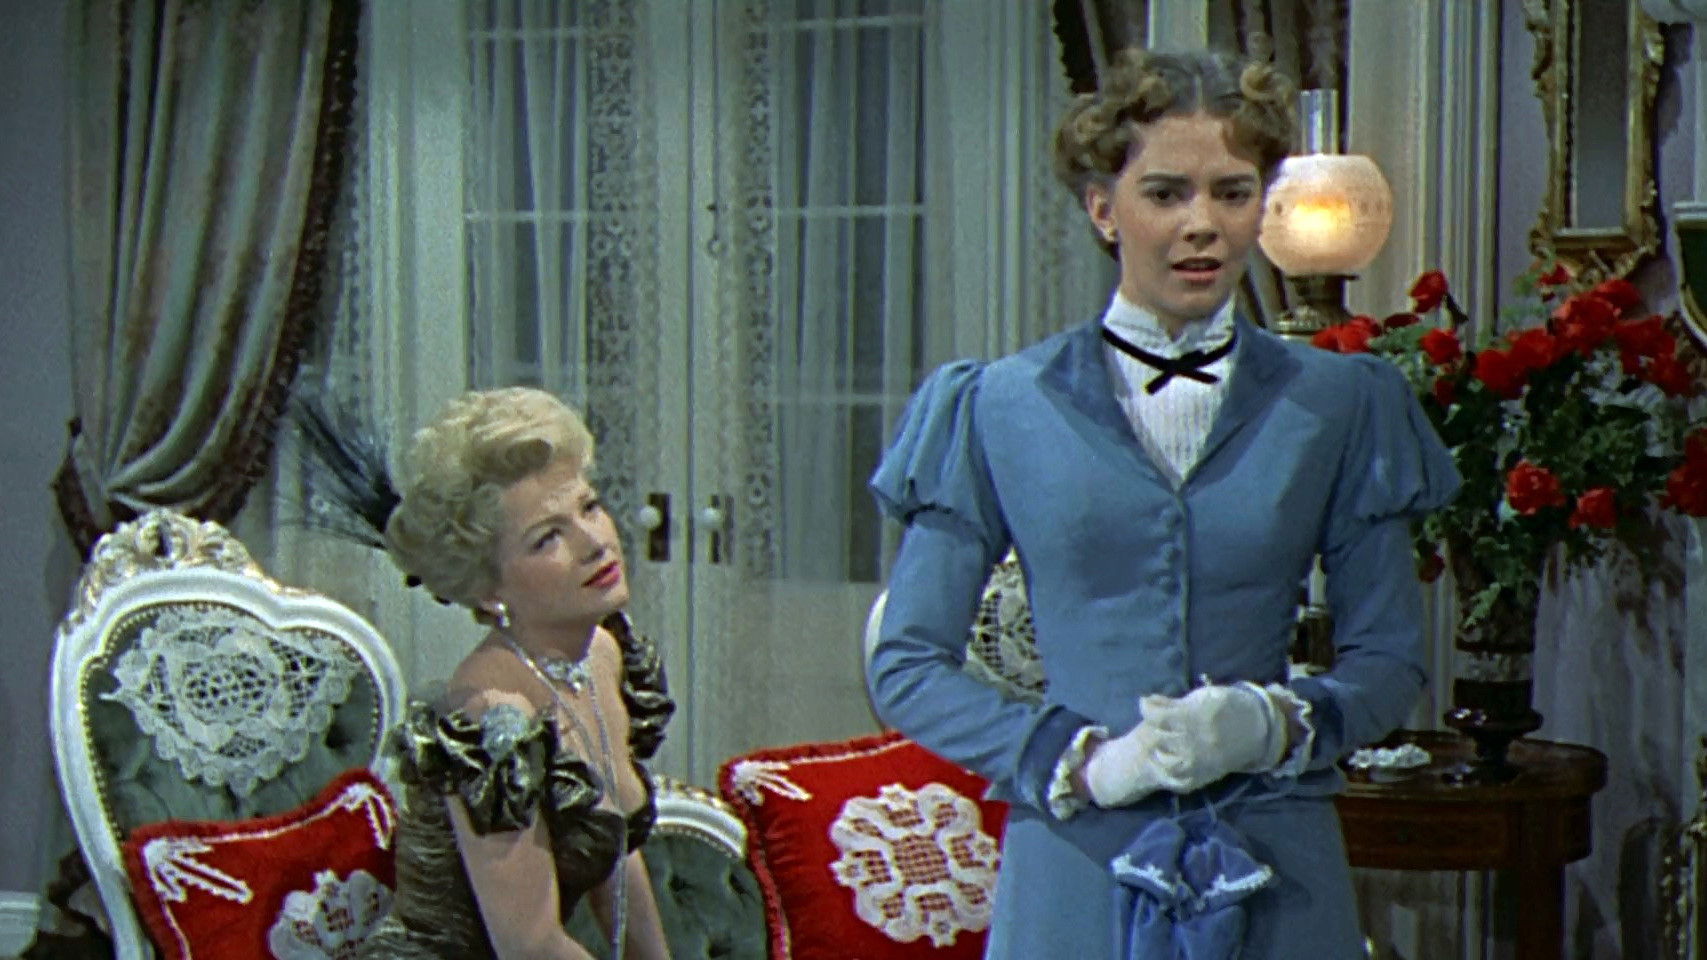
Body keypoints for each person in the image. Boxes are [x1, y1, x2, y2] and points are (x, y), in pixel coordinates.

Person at [866, 48, 1460, 958]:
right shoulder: (997, 404)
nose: (1201, 225)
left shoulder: (1339, 403)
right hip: (1076, 861)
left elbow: (1386, 660)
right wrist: (1084, 763)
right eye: (1165, 194)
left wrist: (1271, 722)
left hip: (1274, 857)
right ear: (1103, 209)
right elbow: (907, 663)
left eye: (1231, 193)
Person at [356, 387, 674, 960]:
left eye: (589, 507)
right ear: (489, 588)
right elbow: (531, 946)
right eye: (547, 537)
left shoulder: (603, 654)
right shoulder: (493, 714)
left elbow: (615, 854)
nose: (593, 542)